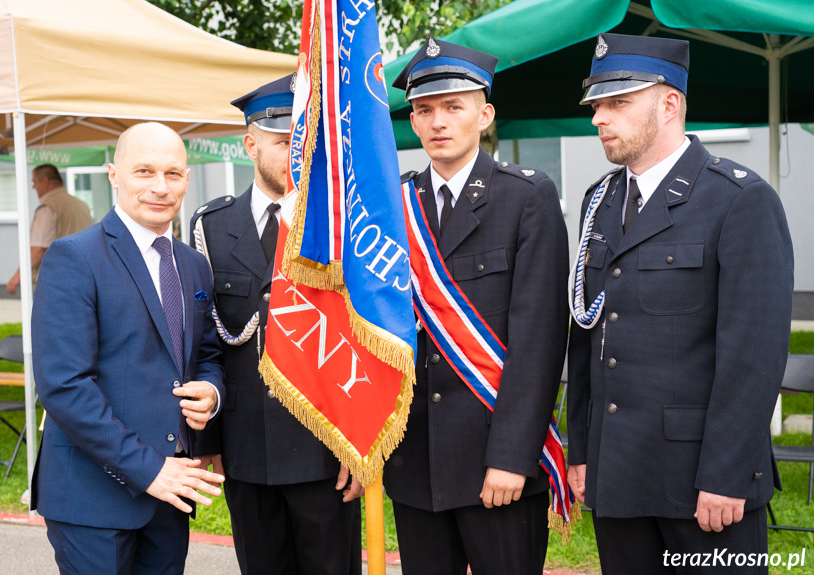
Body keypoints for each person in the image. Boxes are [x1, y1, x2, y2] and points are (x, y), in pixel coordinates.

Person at [566, 33, 794, 574]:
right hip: (617, 472)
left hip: (701, 483)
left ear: (670, 103)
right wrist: (582, 449)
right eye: (597, 104)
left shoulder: (739, 200)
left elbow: (754, 358)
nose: (601, 117)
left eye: (619, 102)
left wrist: (726, 473)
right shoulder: (598, 200)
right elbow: (587, 335)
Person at [385, 38, 570, 574]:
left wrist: (511, 458)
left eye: (453, 106)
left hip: (497, 461)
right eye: (424, 110)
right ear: (414, 122)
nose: (438, 121)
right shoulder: (393, 206)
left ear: (485, 114)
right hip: (415, 461)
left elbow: (538, 340)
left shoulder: (527, 197)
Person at [31, 122, 226, 574]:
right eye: (144, 171)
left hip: (170, 496)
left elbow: (207, 354)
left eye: (173, 174)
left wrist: (211, 393)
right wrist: (149, 470)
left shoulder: (194, 265)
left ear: (187, 180)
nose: (160, 187)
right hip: (93, 499)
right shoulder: (74, 257)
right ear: (113, 174)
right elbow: (64, 386)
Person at [189, 75, 363, 575]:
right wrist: (209, 443)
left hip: (323, 446)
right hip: (245, 447)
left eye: (304, 141)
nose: (296, 153)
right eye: (284, 141)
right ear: (250, 144)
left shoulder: (341, 223)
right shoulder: (212, 225)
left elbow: (363, 338)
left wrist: (357, 443)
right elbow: (203, 341)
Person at [6, 164, 91, 295]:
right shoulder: (82, 206)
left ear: (45, 181)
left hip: (55, 284)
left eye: (34, 182)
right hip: (82, 280)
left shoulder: (47, 208)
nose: (33, 187)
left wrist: (16, 278)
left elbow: (39, 248)